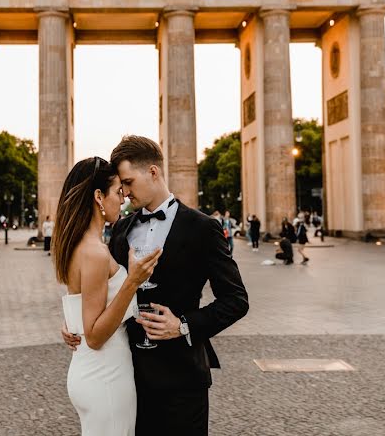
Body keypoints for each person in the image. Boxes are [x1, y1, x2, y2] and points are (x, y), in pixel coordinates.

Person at [63, 136, 249, 436]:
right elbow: (103, 288)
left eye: (128, 182)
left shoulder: (203, 228)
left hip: (182, 379)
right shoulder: (122, 228)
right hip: (129, 377)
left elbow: (237, 300)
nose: (124, 193)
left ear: (153, 172)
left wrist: (184, 325)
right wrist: (75, 323)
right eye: (120, 187)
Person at [56, 156, 161, 436]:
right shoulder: (94, 252)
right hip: (105, 373)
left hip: (90, 369)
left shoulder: (78, 244)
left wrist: (70, 324)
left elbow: (81, 311)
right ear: (99, 197)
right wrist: (133, 281)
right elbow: (95, 335)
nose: (123, 199)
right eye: (117, 192)